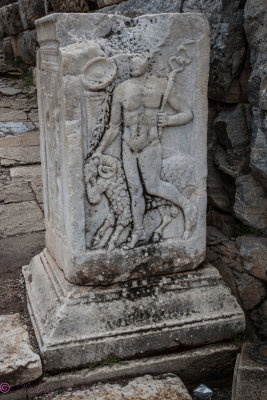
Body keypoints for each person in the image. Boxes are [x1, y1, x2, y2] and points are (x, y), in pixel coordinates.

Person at [97, 54, 197, 248]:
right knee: (134, 190)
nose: (134, 64)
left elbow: (187, 113)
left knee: (152, 186)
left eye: (138, 60)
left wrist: (169, 120)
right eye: (131, 62)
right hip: (128, 144)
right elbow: (114, 126)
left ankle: (187, 206)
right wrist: (99, 151)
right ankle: (138, 232)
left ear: (148, 63)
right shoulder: (121, 89)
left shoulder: (161, 85)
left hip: (150, 143)